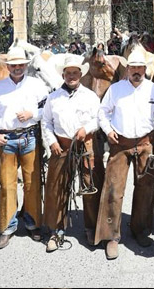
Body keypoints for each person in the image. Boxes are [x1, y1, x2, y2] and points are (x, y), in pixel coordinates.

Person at [95, 47, 154, 259]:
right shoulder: (116, 89)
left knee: (146, 188)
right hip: (121, 144)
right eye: (133, 67)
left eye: (140, 67)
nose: (136, 71)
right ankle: (111, 236)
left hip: (146, 143)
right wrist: (108, 130)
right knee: (113, 189)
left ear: (145, 69)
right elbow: (102, 112)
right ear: (127, 69)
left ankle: (141, 229)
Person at [0, 46, 44, 248]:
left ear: (26, 66)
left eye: (21, 65)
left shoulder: (36, 85)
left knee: (32, 183)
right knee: (7, 185)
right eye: (14, 65)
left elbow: (47, 108)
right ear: (8, 66)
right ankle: (7, 227)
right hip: (6, 140)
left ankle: (33, 223)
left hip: (29, 137)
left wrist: (32, 115)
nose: (17, 68)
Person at [42, 54, 101, 252]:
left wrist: (87, 129)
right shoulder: (53, 97)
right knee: (57, 188)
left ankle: (91, 227)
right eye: (68, 73)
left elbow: (98, 119)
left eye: (75, 73)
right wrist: (51, 142)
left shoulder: (90, 96)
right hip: (62, 145)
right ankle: (57, 230)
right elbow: (46, 123)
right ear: (64, 75)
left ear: (80, 74)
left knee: (89, 186)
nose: (72, 76)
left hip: (85, 145)